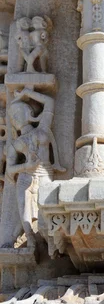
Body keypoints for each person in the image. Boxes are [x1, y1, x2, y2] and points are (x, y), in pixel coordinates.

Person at [6, 88, 65, 246]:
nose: (15, 118)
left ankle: (51, 242)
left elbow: (49, 102)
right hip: (26, 177)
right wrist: (26, 165)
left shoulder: (43, 129)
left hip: (45, 174)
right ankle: (30, 239)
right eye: (12, 117)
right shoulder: (15, 144)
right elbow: (10, 170)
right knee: (25, 213)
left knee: (46, 212)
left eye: (18, 113)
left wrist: (26, 92)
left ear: (29, 113)